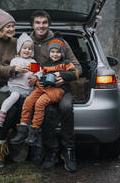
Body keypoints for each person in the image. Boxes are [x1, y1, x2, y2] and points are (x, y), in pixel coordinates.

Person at [28, 10, 82, 172]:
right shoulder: (26, 42)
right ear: (32, 25)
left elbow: (77, 67)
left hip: (62, 87)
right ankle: (52, 151)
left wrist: (63, 77)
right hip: (40, 87)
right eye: (37, 22)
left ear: (49, 24)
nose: (41, 26)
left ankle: (69, 151)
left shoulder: (59, 42)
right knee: (46, 110)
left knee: (66, 107)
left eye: (44, 22)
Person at [0, 8, 29, 168]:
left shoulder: (16, 43)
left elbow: (29, 54)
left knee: (24, 105)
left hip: (15, 83)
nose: (11, 29)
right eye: (7, 27)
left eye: (13, 26)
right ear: (0, 28)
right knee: (11, 110)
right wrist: (14, 68)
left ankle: (22, 147)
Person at [10, 37, 79, 147]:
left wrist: (61, 75)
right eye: (52, 52)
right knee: (28, 101)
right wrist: (36, 79)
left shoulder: (66, 63)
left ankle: (34, 131)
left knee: (40, 103)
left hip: (57, 90)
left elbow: (75, 73)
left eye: (58, 52)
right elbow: (38, 73)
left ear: (62, 53)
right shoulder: (45, 64)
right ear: (49, 53)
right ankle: (22, 129)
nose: (55, 54)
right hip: (43, 87)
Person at [0, 32, 38, 127]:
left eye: (30, 49)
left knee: (28, 104)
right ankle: (2, 113)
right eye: (24, 48)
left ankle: (25, 124)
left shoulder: (33, 62)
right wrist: (18, 69)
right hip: (16, 87)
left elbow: (39, 71)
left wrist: (36, 76)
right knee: (15, 96)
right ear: (19, 49)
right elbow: (11, 73)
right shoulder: (15, 60)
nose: (27, 50)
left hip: (27, 89)